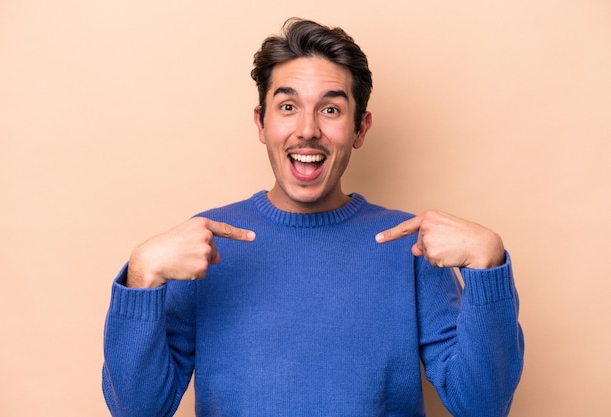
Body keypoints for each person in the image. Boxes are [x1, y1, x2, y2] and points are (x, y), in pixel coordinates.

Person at [102, 18, 524, 417]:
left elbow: (482, 406)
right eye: (287, 106)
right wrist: (141, 275)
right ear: (261, 123)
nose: (307, 130)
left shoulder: (411, 244)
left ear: (360, 130)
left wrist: (489, 267)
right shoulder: (204, 244)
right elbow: (138, 409)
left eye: (330, 110)